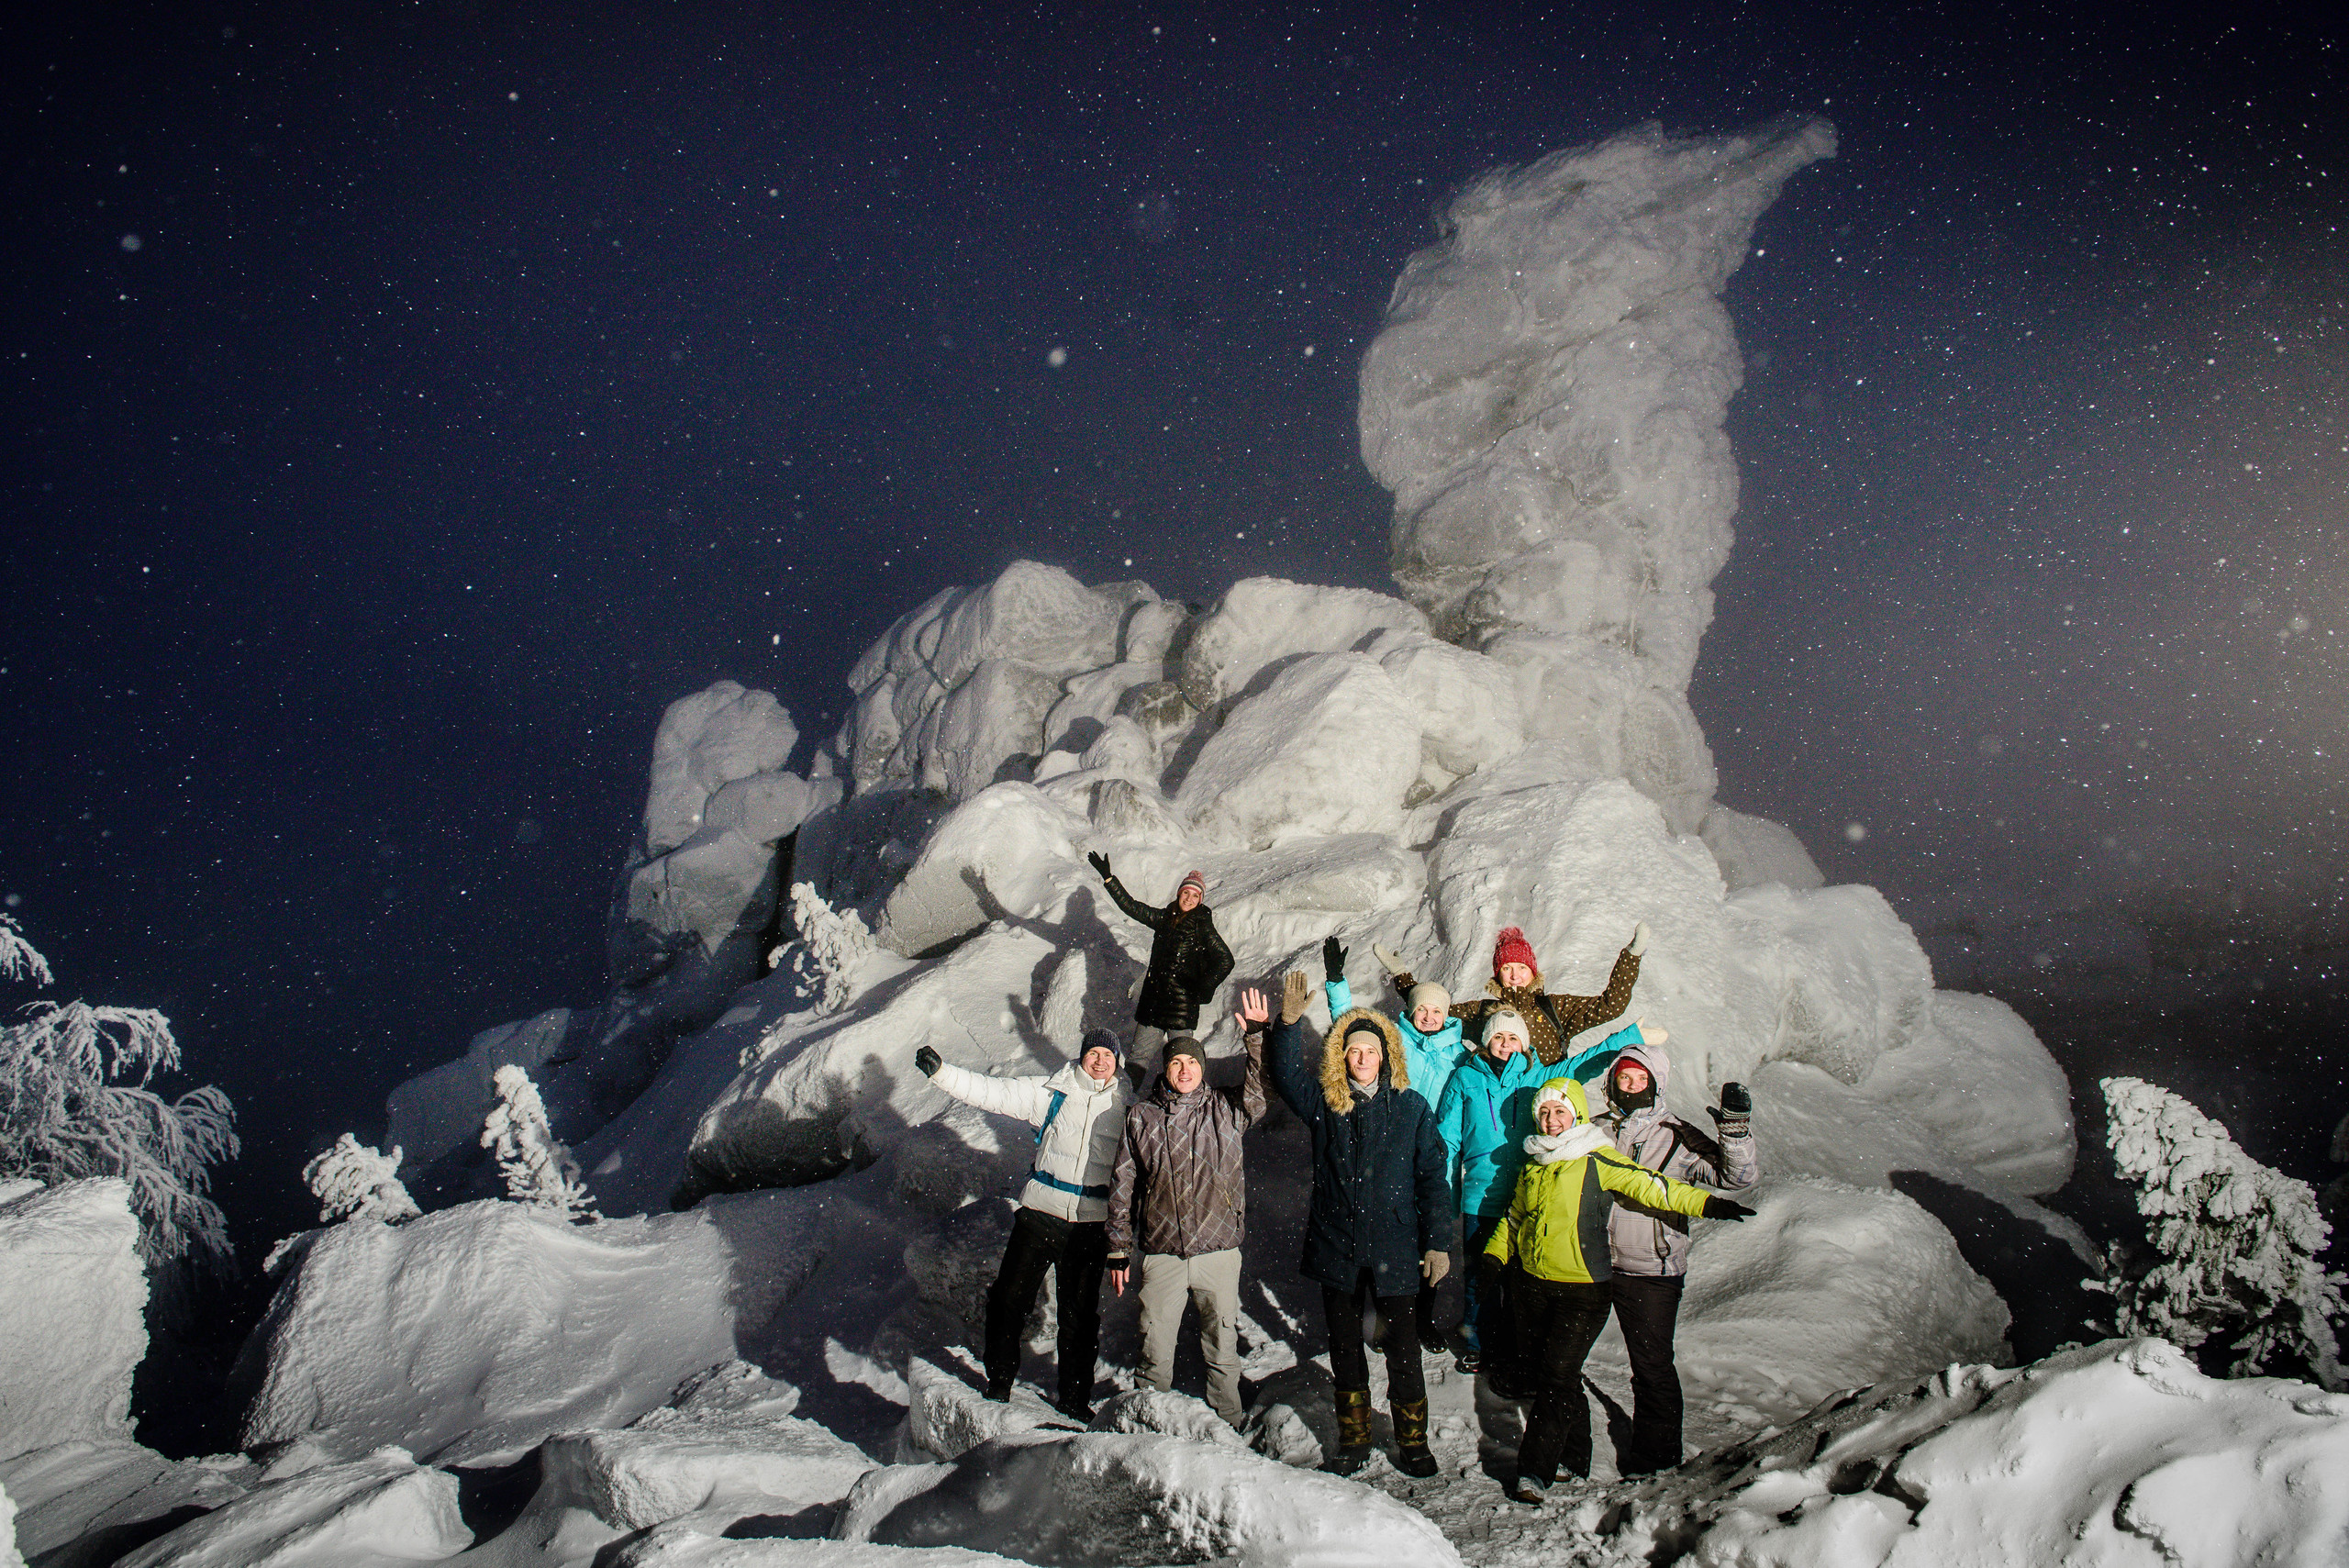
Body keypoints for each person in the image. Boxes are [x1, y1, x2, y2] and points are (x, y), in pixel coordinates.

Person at [1485, 1077, 1753, 1504]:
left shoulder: (1596, 1159)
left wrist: (1708, 1204)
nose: (1552, 1121)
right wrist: (1494, 1257)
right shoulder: (1533, 1164)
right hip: (1533, 1284)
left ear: (1577, 1115)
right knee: (1557, 1375)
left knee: (1556, 1377)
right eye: (1544, 1113)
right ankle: (1574, 1457)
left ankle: (1534, 1471)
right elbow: (1515, 1218)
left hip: (1582, 1289)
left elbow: (1652, 1185)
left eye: (1560, 1112)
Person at [1265, 968, 1453, 1477]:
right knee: (1346, 1350)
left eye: (1371, 1050)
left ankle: (1413, 1441)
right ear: (1342, 1057)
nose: (1364, 1058)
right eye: (1354, 1051)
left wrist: (1437, 1242)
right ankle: (1354, 1439)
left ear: (1386, 1055)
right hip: (1337, 1247)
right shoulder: (1328, 1104)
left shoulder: (1411, 1109)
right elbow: (1284, 1075)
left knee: (1403, 1349)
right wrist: (1285, 1024)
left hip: (1395, 1248)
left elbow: (1434, 1180)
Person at [915, 1027, 1131, 1420]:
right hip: (1039, 1216)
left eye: (1108, 1055)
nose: (1100, 1061)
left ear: (1118, 1063)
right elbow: (992, 1093)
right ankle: (998, 1382)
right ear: (1081, 1056)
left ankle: (1074, 1401)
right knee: (1008, 1300)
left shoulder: (1126, 1104)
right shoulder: (1052, 1091)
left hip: (1090, 1224)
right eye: (1093, 1052)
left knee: (1079, 1317)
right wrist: (943, 1073)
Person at [1431, 1006, 1647, 1382]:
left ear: (1525, 1043)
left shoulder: (1537, 1077)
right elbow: (1447, 1138)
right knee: (1480, 1277)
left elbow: (1583, 1064)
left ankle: (1517, 1348)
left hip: (1529, 1195)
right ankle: (1478, 1345)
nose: (1505, 1044)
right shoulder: (1465, 1078)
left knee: (1522, 1280)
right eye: (1498, 1037)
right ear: (1486, 1041)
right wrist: (1446, 1197)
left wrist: (1627, 1038)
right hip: (1480, 1198)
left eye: (1513, 1037)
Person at [1592, 1034, 1759, 1474]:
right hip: (1591, 1262)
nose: (1629, 1085)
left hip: (1651, 1266)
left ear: (1656, 1083)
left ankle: (1657, 1460)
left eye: (1638, 1078)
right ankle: (1571, 1447)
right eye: (1621, 1077)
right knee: (1564, 1355)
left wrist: (1734, 1134)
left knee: (1651, 1365)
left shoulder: (1678, 1134)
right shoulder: (1595, 1129)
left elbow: (1733, 1177)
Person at [1104, 988, 1268, 1428]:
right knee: (1155, 1347)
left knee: (1223, 1347)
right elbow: (1122, 1185)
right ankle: (1146, 1430)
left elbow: (1258, 1093)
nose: (1185, 1069)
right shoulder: (1141, 1116)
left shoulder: (1227, 1108)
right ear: (1166, 1067)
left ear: (1204, 1068)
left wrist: (1255, 1038)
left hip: (1218, 1250)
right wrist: (1119, 1248)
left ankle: (1230, 1424)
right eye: (1176, 1061)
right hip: (1163, 1253)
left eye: (1193, 1062)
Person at [1319, 933, 1467, 1344]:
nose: (1428, 1017)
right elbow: (1350, 1027)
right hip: (1393, 1149)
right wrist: (1336, 983)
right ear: (1412, 1011)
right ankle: (1390, 1320)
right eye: (1421, 1009)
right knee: (1397, 1238)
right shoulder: (1395, 1041)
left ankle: (1424, 1319)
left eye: (1436, 1011)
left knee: (1431, 1237)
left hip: (1438, 1155)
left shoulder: (1461, 1054)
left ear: (1446, 1015)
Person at [1380, 922, 1651, 1070]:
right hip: (1500, 1103)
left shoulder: (1554, 1007)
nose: (1514, 974)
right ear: (1497, 974)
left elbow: (1610, 1006)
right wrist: (1402, 976)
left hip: (1548, 1102)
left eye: (1521, 968)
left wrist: (1631, 957)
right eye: (1507, 968)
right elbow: (1431, 1012)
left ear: (1533, 971)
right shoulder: (1484, 1011)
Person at [1088, 855, 1235, 1079]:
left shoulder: (1202, 926)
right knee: (1138, 1059)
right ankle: (1124, 1106)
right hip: (1153, 1005)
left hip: (1181, 1008)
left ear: (1200, 899)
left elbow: (1225, 959)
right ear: (1179, 893)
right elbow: (1132, 907)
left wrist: (1202, 989)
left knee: (1182, 1064)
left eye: (1195, 895)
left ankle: (1180, 1109)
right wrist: (1109, 879)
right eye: (1186, 892)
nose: (1189, 898)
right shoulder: (1165, 918)